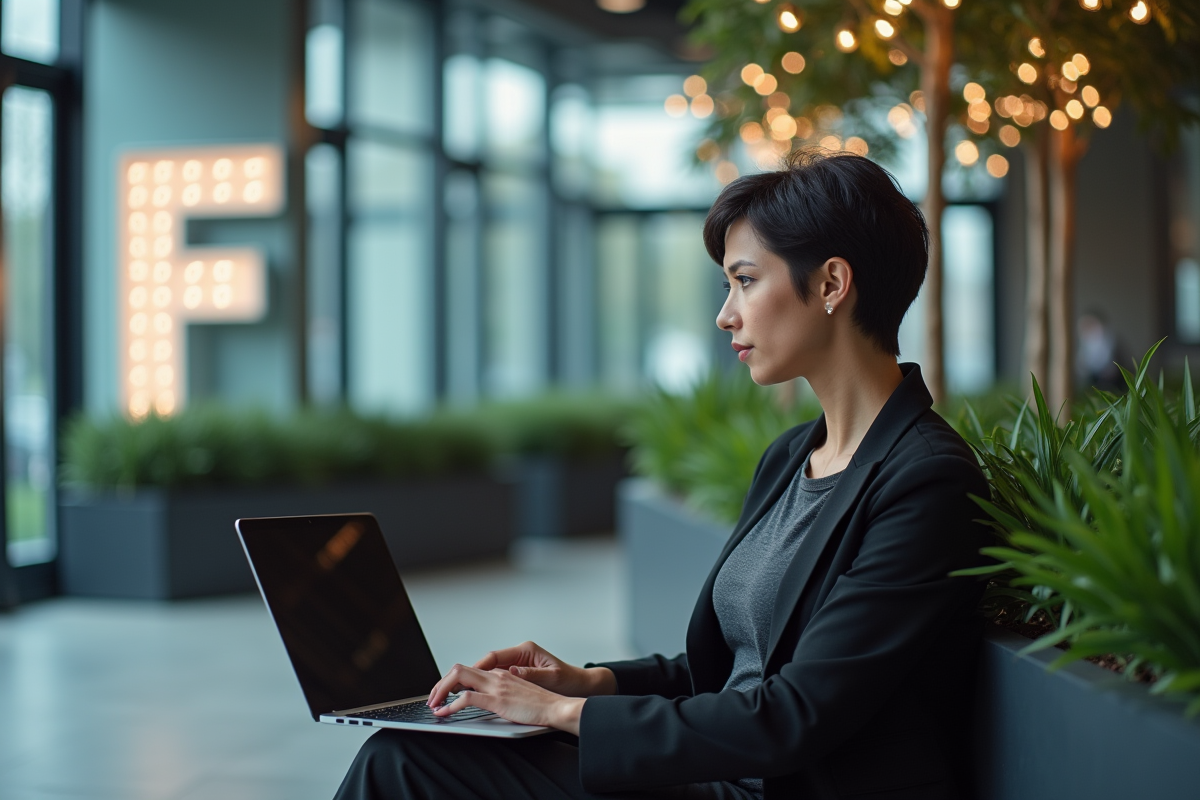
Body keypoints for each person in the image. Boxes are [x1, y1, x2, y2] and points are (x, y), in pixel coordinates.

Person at [333, 150, 990, 800]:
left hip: (778, 789)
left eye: (745, 281)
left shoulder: (926, 481)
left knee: (404, 763)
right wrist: (583, 684)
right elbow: (730, 673)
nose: (725, 314)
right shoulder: (792, 456)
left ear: (830, 284)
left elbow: (795, 714)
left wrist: (559, 716)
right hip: (714, 772)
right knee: (408, 750)